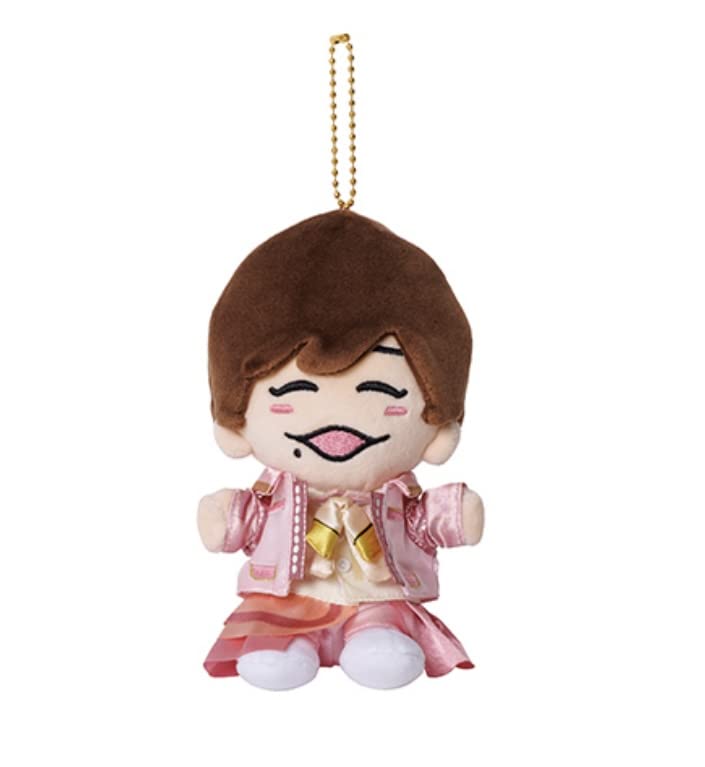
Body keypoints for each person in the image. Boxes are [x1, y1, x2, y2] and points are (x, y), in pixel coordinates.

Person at [198, 209, 484, 690]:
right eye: (294, 392)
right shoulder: (275, 497)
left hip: (380, 601)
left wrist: (454, 513)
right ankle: (288, 642)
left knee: (385, 650)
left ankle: (373, 637)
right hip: (286, 600)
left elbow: (421, 520)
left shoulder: (394, 498)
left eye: (381, 389)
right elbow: (248, 520)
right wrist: (227, 517)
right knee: (275, 653)